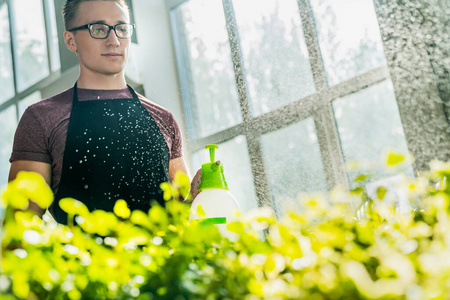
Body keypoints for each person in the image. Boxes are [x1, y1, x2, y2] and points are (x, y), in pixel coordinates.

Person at [8, 0, 195, 224]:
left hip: (161, 258)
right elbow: (20, 228)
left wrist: (198, 195)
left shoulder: (164, 118)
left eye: (122, 29)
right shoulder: (41, 119)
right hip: (84, 259)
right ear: (71, 40)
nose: (114, 41)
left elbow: (180, 214)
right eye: (98, 29)